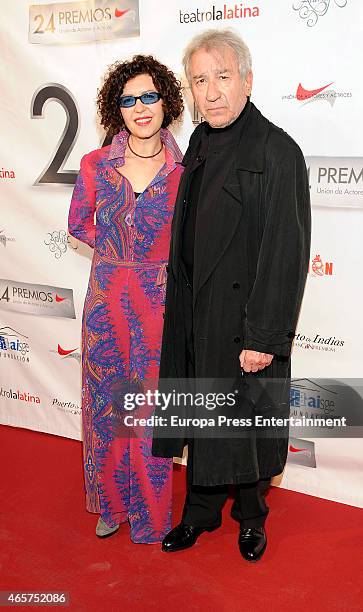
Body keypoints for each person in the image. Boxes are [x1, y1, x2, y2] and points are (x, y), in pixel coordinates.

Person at [152, 29, 311, 561]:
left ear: (247, 79)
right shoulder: (198, 141)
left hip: (243, 318)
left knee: (243, 420)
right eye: (200, 80)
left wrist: (263, 335)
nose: (212, 91)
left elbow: (286, 253)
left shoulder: (277, 151)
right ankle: (198, 514)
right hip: (197, 307)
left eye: (222, 76)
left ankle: (251, 519)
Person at [68, 55, 184, 543]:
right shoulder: (96, 165)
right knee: (107, 408)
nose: (140, 107)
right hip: (106, 307)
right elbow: (78, 224)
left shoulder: (186, 169)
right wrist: (120, 254)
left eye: (149, 96)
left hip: (159, 308)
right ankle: (111, 505)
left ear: (166, 102)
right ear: (118, 109)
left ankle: (152, 515)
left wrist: (153, 265)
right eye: (129, 99)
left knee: (149, 411)